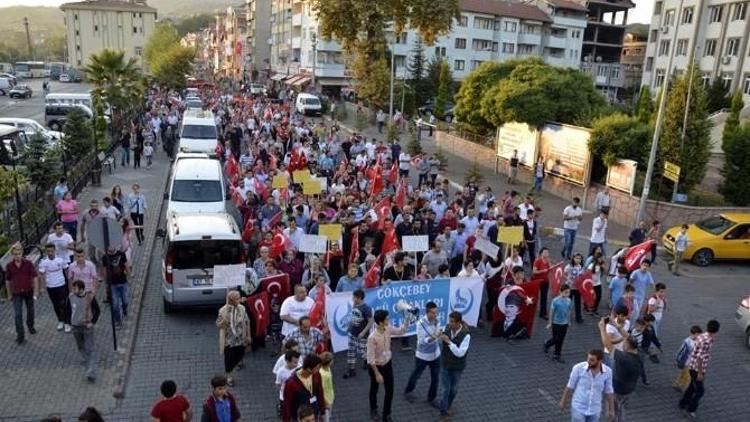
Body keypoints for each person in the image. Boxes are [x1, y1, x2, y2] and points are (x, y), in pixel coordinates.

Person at [367, 309, 409, 422]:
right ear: (380, 322)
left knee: (390, 391)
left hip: (388, 364)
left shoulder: (388, 328)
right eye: (387, 319)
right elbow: (370, 359)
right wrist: (377, 374)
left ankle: (387, 414)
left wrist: (407, 319)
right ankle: (373, 409)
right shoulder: (372, 338)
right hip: (376, 366)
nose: (388, 320)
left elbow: (401, 331)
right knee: (374, 389)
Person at [598, 318, 640, 422]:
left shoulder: (624, 358)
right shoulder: (638, 353)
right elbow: (628, 337)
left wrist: (602, 328)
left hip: (618, 390)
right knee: (620, 408)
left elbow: (608, 345)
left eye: (624, 343)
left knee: (611, 410)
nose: (622, 344)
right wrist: (616, 325)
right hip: (629, 389)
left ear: (628, 345)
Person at [679, 319, 720, 420]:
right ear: (716, 331)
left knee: (692, 387)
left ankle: (683, 403)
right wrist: (700, 373)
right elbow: (700, 357)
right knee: (700, 391)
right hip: (696, 369)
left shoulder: (703, 335)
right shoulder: (707, 340)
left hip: (692, 365)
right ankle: (691, 409)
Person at [559, 349, 615, 422]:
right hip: (578, 408)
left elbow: (609, 391)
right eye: (588, 358)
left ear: (600, 361)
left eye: (592, 360)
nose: (588, 362)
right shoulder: (578, 368)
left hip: (595, 410)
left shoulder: (608, 372)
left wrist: (611, 410)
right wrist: (563, 402)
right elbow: (570, 386)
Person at [404, 301, 441, 406]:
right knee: (416, 375)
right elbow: (422, 341)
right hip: (423, 356)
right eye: (433, 313)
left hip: (435, 355)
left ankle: (432, 398)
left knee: (435, 378)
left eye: (436, 312)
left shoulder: (437, 321)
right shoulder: (420, 324)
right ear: (427, 312)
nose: (435, 315)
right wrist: (434, 337)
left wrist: (438, 335)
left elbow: (438, 333)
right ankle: (408, 391)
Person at [438, 311, 471, 421]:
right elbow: (439, 339)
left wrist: (449, 342)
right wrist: (439, 336)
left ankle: (447, 406)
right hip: (445, 364)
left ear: (458, 323)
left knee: (454, 390)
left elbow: (460, 353)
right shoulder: (447, 328)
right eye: (449, 321)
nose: (449, 324)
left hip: (457, 367)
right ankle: (443, 413)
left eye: (452, 322)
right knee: (446, 390)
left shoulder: (466, 335)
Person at [4, 244, 39, 344]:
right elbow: (8, 281)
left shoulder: (28, 264)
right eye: (15, 254)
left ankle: (30, 325)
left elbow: (35, 277)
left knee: (30, 311)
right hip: (16, 293)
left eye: (19, 254)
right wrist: (9, 294)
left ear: (22, 253)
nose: (17, 256)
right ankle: (20, 336)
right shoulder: (9, 266)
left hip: (28, 291)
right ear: (12, 255)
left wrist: (36, 291)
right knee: (18, 315)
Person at [216, 291, 250, 386]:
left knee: (240, 354)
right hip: (229, 341)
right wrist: (224, 320)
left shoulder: (242, 308)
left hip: (240, 339)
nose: (240, 300)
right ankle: (229, 377)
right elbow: (218, 324)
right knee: (229, 360)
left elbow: (246, 322)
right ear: (232, 300)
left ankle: (238, 363)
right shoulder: (223, 310)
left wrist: (248, 335)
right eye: (238, 298)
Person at [282, 354, 326, 422]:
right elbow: (287, 404)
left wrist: (322, 411)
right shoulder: (291, 383)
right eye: (317, 367)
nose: (319, 369)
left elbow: (320, 392)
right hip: (301, 418)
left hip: (313, 414)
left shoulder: (316, 375)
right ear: (308, 368)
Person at [38, 243, 70, 332]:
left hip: (61, 285)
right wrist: (41, 287)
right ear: (46, 252)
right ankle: (60, 320)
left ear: (54, 250)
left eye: (52, 251)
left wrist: (70, 284)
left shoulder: (61, 260)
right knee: (55, 304)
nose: (50, 253)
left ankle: (67, 322)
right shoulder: (43, 262)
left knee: (64, 304)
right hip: (50, 286)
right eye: (48, 251)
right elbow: (40, 275)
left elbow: (67, 271)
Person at [69, 280, 96, 382]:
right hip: (75, 327)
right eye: (73, 288)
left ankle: (91, 371)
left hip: (87, 327)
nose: (73, 290)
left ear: (81, 289)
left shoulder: (89, 298)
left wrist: (92, 322)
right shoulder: (71, 297)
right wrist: (70, 322)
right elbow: (68, 310)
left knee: (90, 349)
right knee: (80, 347)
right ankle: (87, 361)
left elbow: (97, 311)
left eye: (75, 288)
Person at [344, 289, 373, 379]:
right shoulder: (354, 305)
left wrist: (363, 332)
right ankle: (352, 370)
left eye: (354, 297)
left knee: (362, 352)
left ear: (359, 298)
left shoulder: (366, 308)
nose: (352, 299)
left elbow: (370, 321)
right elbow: (353, 317)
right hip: (352, 333)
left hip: (362, 336)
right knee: (351, 352)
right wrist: (349, 327)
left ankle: (367, 361)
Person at [101, 246, 129, 328]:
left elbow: (126, 265)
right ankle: (117, 321)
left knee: (125, 301)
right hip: (112, 284)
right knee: (115, 304)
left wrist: (129, 276)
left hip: (123, 282)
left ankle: (124, 309)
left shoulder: (121, 254)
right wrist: (106, 283)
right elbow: (104, 270)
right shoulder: (105, 257)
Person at [543, 284, 572, 362]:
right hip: (556, 323)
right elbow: (551, 312)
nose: (567, 294)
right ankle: (547, 344)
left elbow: (568, 311)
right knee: (556, 338)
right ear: (560, 292)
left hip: (564, 323)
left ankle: (557, 354)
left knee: (561, 339)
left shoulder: (569, 300)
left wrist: (569, 321)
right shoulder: (555, 301)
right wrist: (550, 323)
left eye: (568, 292)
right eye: (565, 292)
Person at [673, 325, 703, 392]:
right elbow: (680, 352)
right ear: (695, 334)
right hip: (687, 362)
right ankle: (685, 390)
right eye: (699, 335)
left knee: (684, 373)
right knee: (688, 378)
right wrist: (677, 360)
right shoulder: (687, 341)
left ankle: (677, 383)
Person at [276, 350, 301, 417]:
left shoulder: (299, 367)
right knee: (286, 414)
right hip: (284, 396)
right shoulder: (280, 372)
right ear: (287, 361)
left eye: (297, 361)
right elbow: (278, 384)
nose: (297, 364)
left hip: (296, 396)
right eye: (295, 362)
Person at [532, 247, 552, 318]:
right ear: (541, 253)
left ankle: (543, 313)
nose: (546, 254)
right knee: (534, 296)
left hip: (545, 281)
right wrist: (542, 271)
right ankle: (531, 309)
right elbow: (534, 271)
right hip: (537, 281)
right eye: (545, 252)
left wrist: (550, 264)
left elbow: (550, 269)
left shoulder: (548, 260)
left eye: (547, 252)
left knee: (544, 297)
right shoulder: (538, 261)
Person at [319, 352, 335, 422]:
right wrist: (326, 403)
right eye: (332, 360)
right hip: (326, 401)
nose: (333, 361)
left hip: (330, 398)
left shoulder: (328, 369)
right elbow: (321, 390)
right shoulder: (322, 375)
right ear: (328, 362)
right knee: (325, 418)